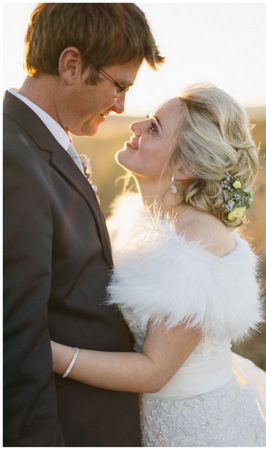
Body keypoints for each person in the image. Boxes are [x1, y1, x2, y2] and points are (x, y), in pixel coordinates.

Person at [49, 83, 266, 447]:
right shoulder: (141, 217)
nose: (135, 127)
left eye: (153, 127)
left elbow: (154, 371)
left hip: (196, 431)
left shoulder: (196, 243)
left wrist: (47, 354)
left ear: (184, 166)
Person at [3, 3, 163, 446]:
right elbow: (16, 344)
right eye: (118, 86)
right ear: (71, 65)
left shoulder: (38, 142)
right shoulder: (11, 160)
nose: (120, 105)